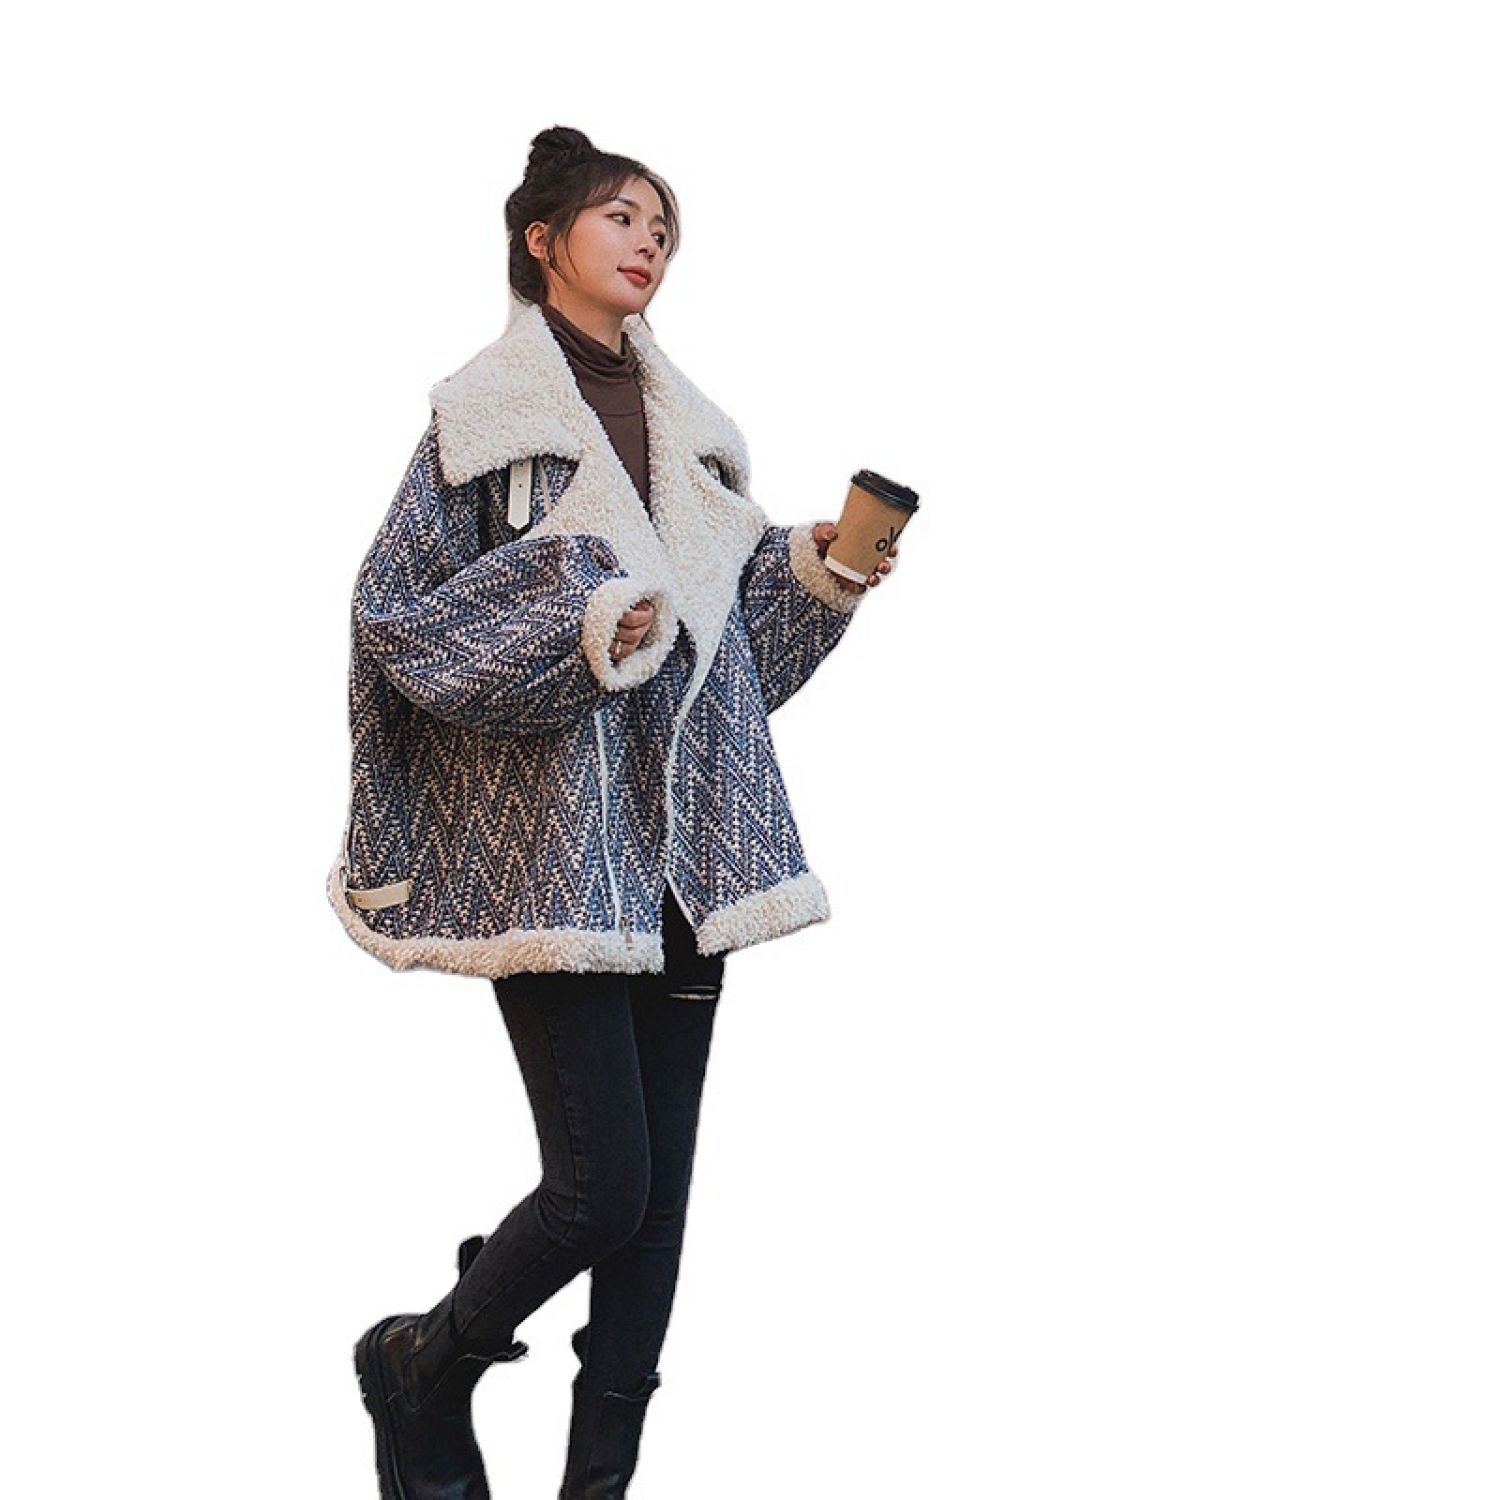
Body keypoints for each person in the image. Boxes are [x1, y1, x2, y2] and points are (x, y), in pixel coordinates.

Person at [335, 125, 901, 1500]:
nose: (649, 239)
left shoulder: (701, 446)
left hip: (687, 854)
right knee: (603, 1191)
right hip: (555, 859)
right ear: (544, 241)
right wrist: (577, 621)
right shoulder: (482, 430)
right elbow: (402, 622)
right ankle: (422, 1364)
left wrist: (819, 570)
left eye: (663, 225)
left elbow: (732, 663)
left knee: (654, 1222)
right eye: (621, 217)